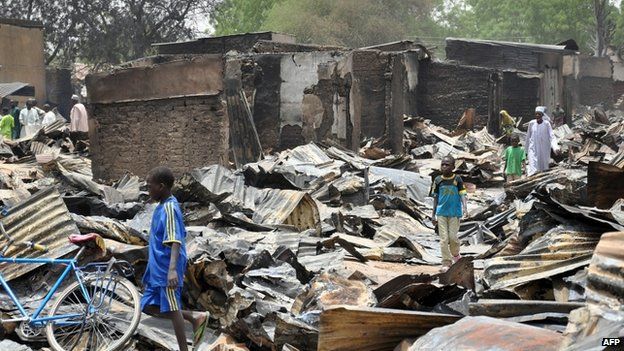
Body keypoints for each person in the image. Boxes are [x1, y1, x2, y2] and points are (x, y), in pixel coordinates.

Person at [141, 167, 208, 351]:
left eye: (150, 187)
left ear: (161, 186)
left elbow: (175, 240)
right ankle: (194, 317)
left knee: (172, 306)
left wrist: (172, 270)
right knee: (147, 306)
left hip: (167, 267)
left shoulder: (170, 207)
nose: (148, 190)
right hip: (157, 268)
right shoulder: (160, 207)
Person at [431, 156, 468, 272]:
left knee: (453, 237)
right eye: (442, 164)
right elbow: (435, 198)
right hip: (441, 213)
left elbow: (462, 194)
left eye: (447, 165)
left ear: (453, 167)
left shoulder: (457, 179)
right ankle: (446, 262)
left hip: (454, 213)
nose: (444, 167)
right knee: (443, 239)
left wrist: (465, 208)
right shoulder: (437, 180)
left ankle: (456, 255)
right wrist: (433, 215)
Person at [525, 107, 558, 176]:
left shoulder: (546, 124)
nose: (537, 115)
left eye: (539, 114)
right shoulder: (531, 123)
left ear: (542, 115)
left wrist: (555, 147)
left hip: (544, 150)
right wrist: (525, 151)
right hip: (533, 149)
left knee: (544, 169)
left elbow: (551, 136)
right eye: (536, 114)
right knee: (533, 167)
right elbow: (528, 137)